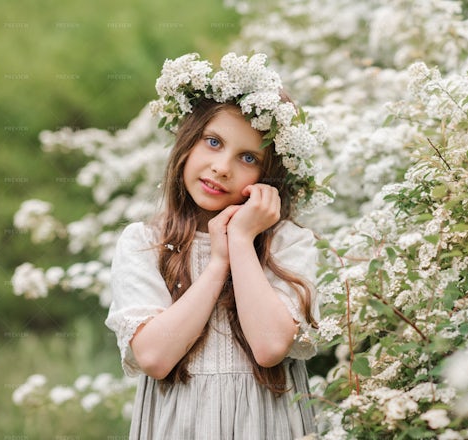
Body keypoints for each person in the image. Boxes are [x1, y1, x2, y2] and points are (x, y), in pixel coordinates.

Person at [105, 53, 333, 439]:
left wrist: (242, 243)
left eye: (247, 157)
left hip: (266, 425)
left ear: (269, 175)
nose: (222, 167)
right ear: (188, 144)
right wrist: (216, 266)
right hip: (179, 424)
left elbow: (269, 346)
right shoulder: (145, 243)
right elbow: (155, 357)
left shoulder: (290, 244)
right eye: (213, 142)